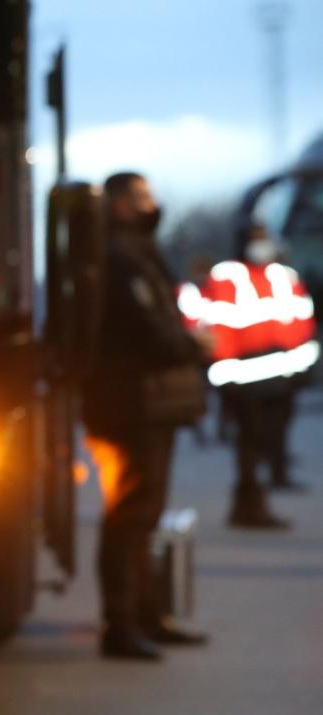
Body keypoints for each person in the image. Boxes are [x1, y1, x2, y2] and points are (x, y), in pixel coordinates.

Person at [81, 172, 209, 661]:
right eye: (141, 197)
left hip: (145, 403)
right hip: (129, 405)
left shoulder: (135, 253)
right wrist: (192, 345)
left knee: (142, 517)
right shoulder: (120, 260)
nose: (152, 204)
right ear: (118, 205)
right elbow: (147, 331)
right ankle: (122, 625)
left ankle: (148, 617)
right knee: (129, 518)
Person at [184, 223, 318, 529]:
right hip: (244, 375)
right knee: (250, 442)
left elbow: (300, 319)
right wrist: (225, 371)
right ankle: (248, 504)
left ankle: (266, 487)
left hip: (282, 373)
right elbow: (217, 324)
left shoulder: (283, 276)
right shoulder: (227, 277)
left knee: (272, 436)